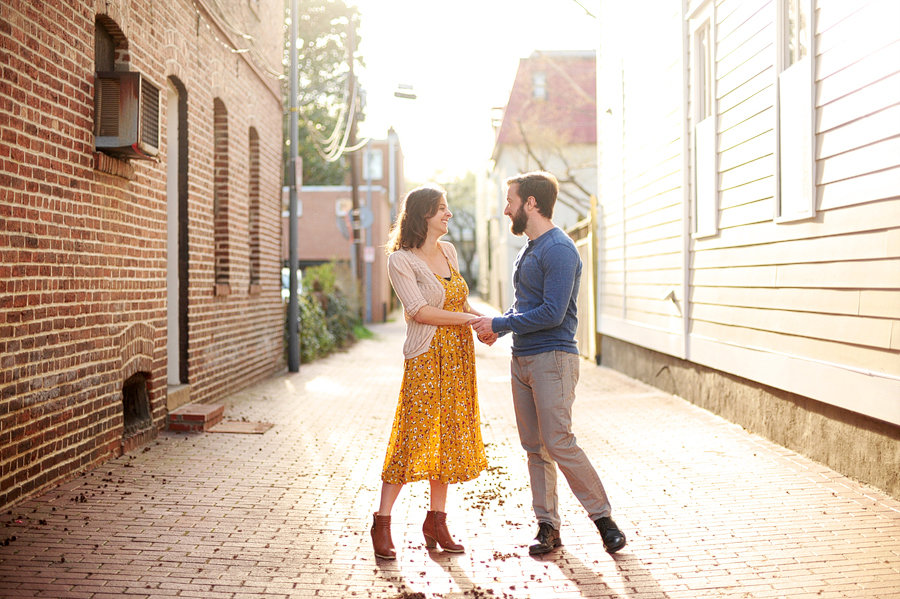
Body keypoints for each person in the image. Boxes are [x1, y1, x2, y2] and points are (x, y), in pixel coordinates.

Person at [470, 171, 626, 556]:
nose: (506, 209)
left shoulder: (559, 249)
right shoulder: (529, 248)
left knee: (558, 441)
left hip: (552, 358)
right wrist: (499, 328)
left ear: (531, 204)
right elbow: (525, 306)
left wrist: (501, 323)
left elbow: (553, 313)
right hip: (522, 359)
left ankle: (604, 521)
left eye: (511, 201)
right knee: (534, 448)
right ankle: (547, 528)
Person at [371, 183, 491, 560]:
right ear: (424, 214)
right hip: (425, 357)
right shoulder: (400, 260)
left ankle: (436, 522)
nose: (449, 214)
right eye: (442, 208)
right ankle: (382, 522)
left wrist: (483, 326)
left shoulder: (450, 252)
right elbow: (419, 311)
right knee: (413, 433)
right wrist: (471, 319)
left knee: (447, 437)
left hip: (457, 357)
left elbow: (458, 298)